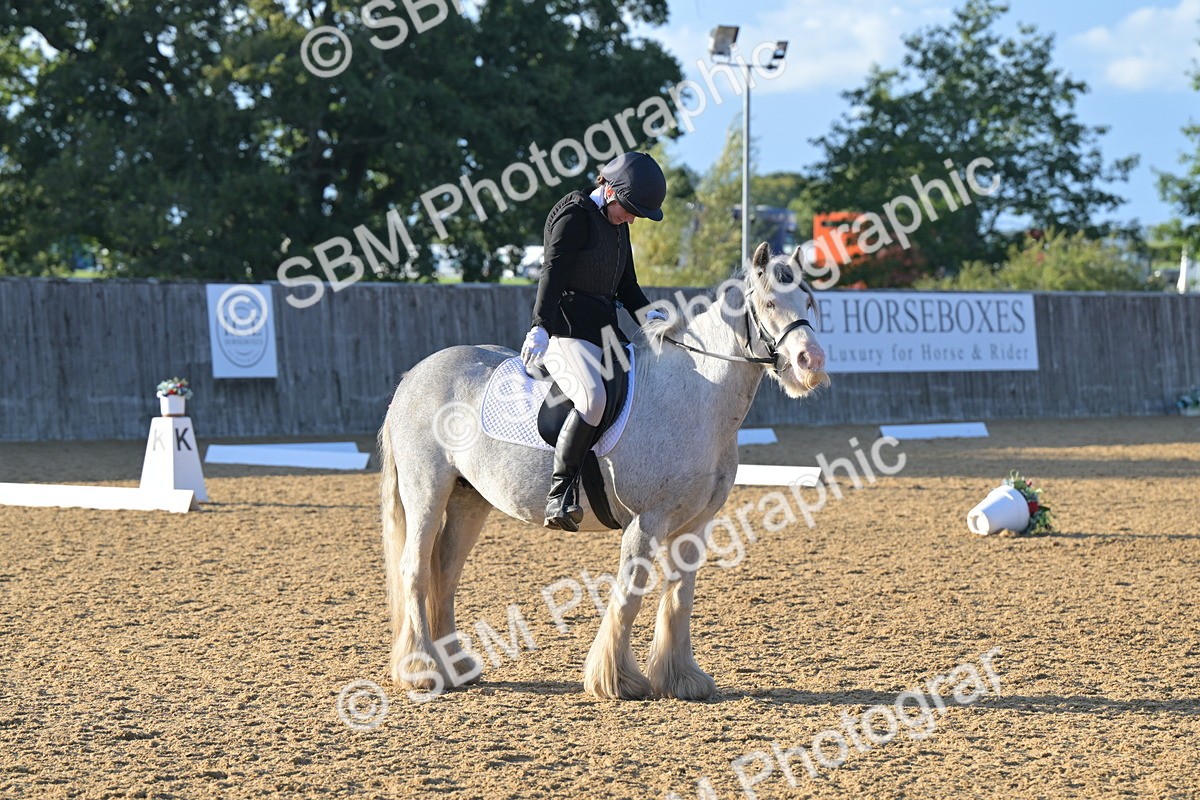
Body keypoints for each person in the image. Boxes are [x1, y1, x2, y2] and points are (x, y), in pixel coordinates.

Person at [519, 151, 669, 532]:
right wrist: (540, 325)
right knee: (592, 399)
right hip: (567, 328)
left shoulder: (619, 225)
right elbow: (551, 274)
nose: (632, 218)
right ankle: (559, 493)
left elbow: (627, 285)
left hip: (604, 329)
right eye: (630, 209)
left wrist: (648, 314)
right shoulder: (574, 217)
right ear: (610, 189)